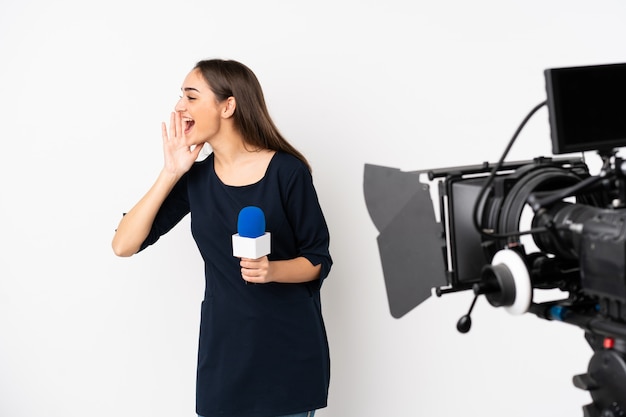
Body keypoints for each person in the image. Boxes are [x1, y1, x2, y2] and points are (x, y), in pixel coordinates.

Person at [111, 59, 333, 417]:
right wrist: (171, 172)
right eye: (180, 97)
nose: (179, 108)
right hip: (225, 355)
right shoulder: (195, 180)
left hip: (287, 355)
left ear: (228, 106)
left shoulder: (287, 172)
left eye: (191, 97)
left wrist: (271, 271)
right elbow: (124, 244)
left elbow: (318, 259)